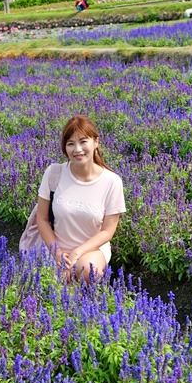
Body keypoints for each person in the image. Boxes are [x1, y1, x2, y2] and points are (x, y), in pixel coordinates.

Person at [35, 115, 126, 283]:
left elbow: (107, 231)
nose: (77, 149)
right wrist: (58, 254)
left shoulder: (112, 182)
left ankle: (89, 302)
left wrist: (77, 253)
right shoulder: (54, 173)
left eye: (83, 141)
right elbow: (41, 219)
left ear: (96, 142)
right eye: (70, 144)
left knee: (87, 271)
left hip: (91, 250)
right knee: (47, 285)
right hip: (55, 247)